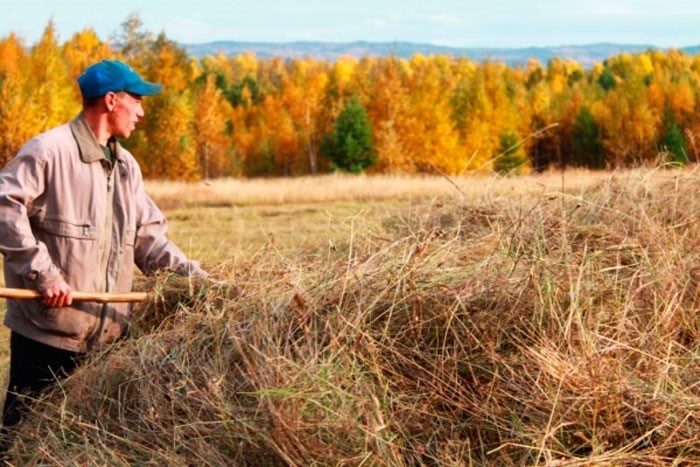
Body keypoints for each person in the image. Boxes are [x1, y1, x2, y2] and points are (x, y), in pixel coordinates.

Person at [0, 59, 207, 451]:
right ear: (111, 101)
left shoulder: (126, 167)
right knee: (20, 444)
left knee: (82, 449)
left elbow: (150, 240)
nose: (143, 111)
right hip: (48, 335)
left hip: (106, 342)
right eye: (137, 100)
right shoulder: (50, 152)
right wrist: (43, 274)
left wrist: (197, 280)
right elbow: (4, 206)